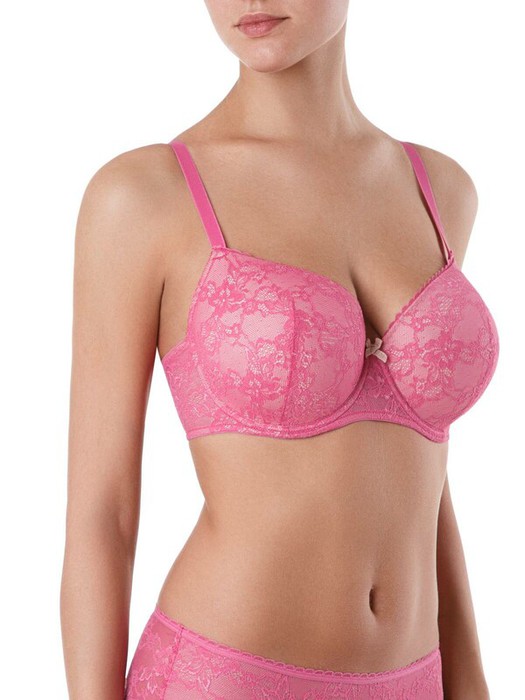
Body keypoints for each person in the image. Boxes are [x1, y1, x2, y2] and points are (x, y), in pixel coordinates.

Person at [60, 2, 499, 698]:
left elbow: (420, 473)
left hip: (416, 678)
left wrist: (470, 678)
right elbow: (102, 515)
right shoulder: (144, 196)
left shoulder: (441, 190)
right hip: (225, 676)